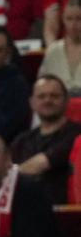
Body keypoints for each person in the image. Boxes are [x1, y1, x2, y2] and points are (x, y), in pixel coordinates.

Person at [13, 74, 80, 204]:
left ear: (67, 100)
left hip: (61, 210)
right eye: (41, 96)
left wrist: (12, 175)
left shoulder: (76, 134)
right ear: (32, 103)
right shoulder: (21, 140)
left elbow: (40, 164)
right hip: (24, 208)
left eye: (54, 96)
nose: (48, 100)